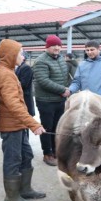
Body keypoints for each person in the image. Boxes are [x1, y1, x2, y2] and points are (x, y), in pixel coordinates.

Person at [0, 39, 46, 201]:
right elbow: (13, 103)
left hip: (17, 124)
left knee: (26, 155)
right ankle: (12, 197)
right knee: (13, 160)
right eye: (20, 53)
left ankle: (25, 189)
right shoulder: (5, 74)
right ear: (11, 55)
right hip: (11, 125)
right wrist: (33, 124)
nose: (23, 56)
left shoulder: (8, 71)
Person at [33, 35, 69, 166]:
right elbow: (43, 81)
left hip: (59, 100)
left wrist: (68, 88)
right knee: (47, 128)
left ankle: (55, 151)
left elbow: (64, 77)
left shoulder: (60, 59)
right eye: (54, 45)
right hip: (46, 101)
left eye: (59, 45)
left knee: (57, 127)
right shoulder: (41, 61)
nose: (57, 48)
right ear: (47, 47)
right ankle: (47, 153)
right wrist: (62, 90)